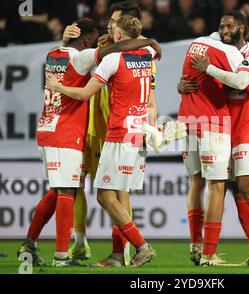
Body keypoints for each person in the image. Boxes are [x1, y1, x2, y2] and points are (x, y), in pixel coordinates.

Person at [17, 17, 160, 267]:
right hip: (68, 132)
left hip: (47, 129)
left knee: (58, 190)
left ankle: (29, 244)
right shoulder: (92, 57)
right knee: (71, 192)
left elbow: (100, 49)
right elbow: (113, 50)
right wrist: (147, 40)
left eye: (109, 32)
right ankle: (62, 257)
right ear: (85, 40)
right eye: (95, 39)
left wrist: (64, 42)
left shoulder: (52, 54)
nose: (101, 40)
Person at [62, 0, 160, 267]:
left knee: (106, 195)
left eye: (113, 23)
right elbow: (150, 98)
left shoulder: (111, 57)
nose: (108, 27)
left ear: (119, 33)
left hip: (116, 133)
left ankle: (140, 246)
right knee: (120, 193)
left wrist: (57, 87)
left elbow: (84, 92)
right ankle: (119, 254)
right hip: (137, 133)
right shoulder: (147, 56)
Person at [191, 11, 249, 266]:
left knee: (245, 185)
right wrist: (183, 84)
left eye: (230, 25)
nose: (224, 29)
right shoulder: (221, 51)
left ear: (242, 28)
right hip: (224, 127)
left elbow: (242, 82)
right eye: (221, 25)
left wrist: (209, 69)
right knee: (235, 190)